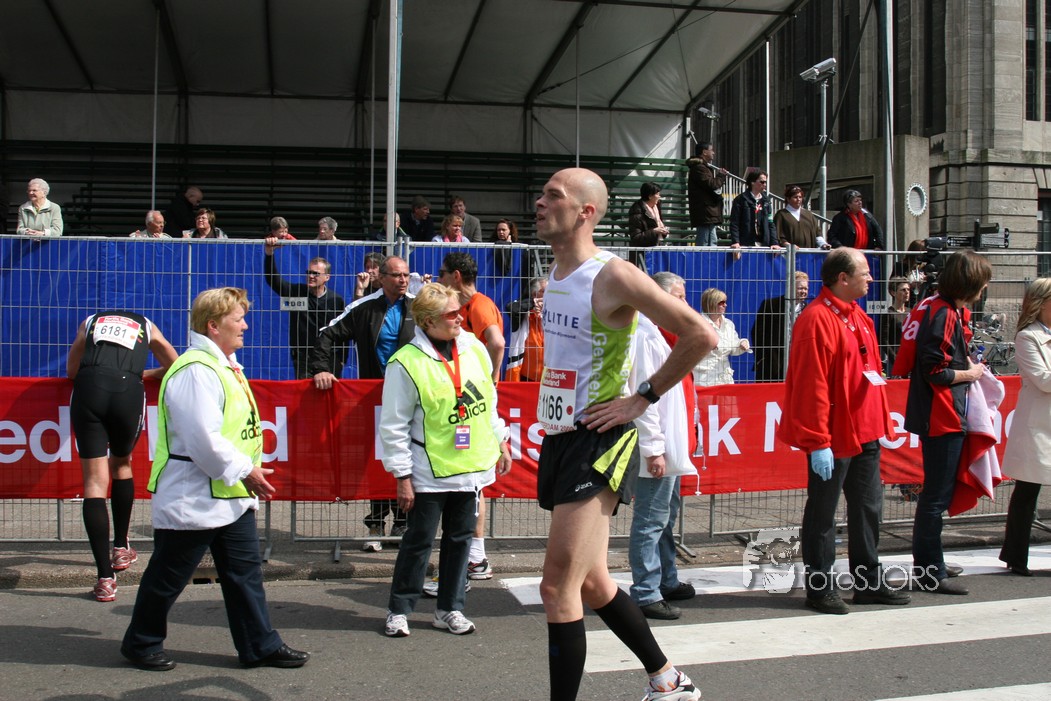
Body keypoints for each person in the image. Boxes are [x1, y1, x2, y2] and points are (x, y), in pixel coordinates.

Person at [535, 167, 715, 701]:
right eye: (542, 194)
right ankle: (668, 679)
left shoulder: (612, 274)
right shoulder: (556, 271)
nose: (539, 203)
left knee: (557, 587)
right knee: (592, 582)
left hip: (598, 440)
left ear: (585, 212)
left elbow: (700, 334)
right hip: (561, 435)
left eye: (553, 196)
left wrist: (643, 397)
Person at [120, 287, 309, 672]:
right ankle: (141, 642)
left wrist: (242, 475)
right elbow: (202, 440)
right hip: (194, 496)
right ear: (213, 325)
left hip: (228, 493)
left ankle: (259, 645)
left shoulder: (223, 365)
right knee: (168, 577)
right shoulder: (196, 371)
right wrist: (245, 471)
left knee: (245, 575)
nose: (245, 325)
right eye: (238, 319)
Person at [777, 248, 910, 615]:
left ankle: (868, 583)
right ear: (842, 278)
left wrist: (879, 422)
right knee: (823, 513)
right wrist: (818, 441)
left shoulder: (856, 314)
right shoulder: (817, 319)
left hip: (865, 432)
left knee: (868, 508)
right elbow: (812, 386)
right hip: (834, 436)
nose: (871, 278)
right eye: (864, 273)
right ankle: (820, 588)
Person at [380, 283, 512, 638]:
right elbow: (393, 425)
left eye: (459, 311)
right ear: (427, 321)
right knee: (419, 541)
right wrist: (402, 475)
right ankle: (399, 609)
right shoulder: (405, 362)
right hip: (429, 470)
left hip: (470, 467)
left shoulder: (474, 347)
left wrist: (501, 439)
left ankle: (450, 608)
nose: (460, 318)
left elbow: (488, 399)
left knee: (460, 540)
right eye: (451, 314)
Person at [893, 250, 991, 595]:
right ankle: (930, 570)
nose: (984, 289)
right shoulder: (945, 313)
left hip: (940, 411)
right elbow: (935, 370)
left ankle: (932, 561)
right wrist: (971, 373)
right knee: (934, 497)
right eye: (982, 283)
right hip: (942, 414)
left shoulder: (938, 307)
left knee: (936, 495)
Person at [67, 311, 178, 602]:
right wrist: (148, 374)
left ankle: (105, 578)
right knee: (122, 464)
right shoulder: (146, 325)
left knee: (94, 482)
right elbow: (175, 365)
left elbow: (71, 371)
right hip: (127, 388)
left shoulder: (89, 321)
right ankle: (120, 547)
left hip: (89, 387)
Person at [311, 256, 416, 551]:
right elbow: (327, 334)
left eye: (406, 275)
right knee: (377, 460)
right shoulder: (364, 308)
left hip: (411, 398)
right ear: (381, 277)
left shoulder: (418, 306)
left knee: (406, 458)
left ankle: (402, 523)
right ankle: (375, 525)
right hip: (375, 398)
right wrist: (321, 369)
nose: (403, 280)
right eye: (396, 275)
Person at [628, 272, 700, 622]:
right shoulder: (645, 336)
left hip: (669, 442)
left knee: (665, 517)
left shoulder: (663, 335)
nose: (684, 304)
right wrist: (653, 448)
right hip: (657, 445)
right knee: (651, 519)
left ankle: (665, 579)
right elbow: (643, 398)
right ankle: (646, 591)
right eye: (678, 297)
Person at [437, 251, 504, 579]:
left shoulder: (478, 305)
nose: (439, 278)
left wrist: (489, 379)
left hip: (474, 403)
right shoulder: (469, 306)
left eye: (443, 273)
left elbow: (497, 342)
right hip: (469, 402)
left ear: (456, 276)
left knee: (473, 481)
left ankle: (475, 557)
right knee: (469, 481)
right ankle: (472, 555)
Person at [998, 277, 1051, 577]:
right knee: (1028, 490)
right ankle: (1016, 555)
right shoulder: (1027, 337)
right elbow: (1044, 380)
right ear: (1042, 304)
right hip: (1039, 425)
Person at [263, 237, 347, 379]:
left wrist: (342, 359)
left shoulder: (336, 300)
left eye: (315, 273)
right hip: (303, 357)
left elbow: (343, 332)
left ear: (327, 277)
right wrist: (269, 254)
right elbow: (274, 281)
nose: (311, 276)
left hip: (329, 357)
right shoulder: (297, 292)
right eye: (308, 272)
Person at [751, 271, 810, 382]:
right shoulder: (771, 305)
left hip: (799, 364)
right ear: (790, 287)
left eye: (806, 289)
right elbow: (758, 333)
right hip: (772, 365)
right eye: (800, 288)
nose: (804, 292)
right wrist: (761, 359)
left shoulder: (809, 310)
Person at [693, 287, 750, 386]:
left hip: (725, 378)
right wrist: (705, 345)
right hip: (704, 379)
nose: (725, 305)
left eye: (725, 302)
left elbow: (734, 347)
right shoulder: (698, 323)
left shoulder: (728, 324)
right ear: (711, 304)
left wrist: (742, 343)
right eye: (721, 302)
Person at [505, 276, 546, 382]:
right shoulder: (524, 314)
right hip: (527, 378)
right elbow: (511, 308)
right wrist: (533, 303)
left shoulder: (552, 312)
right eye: (545, 291)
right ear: (534, 294)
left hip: (551, 376)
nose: (550, 295)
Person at [686, 141, 726, 246]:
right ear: (704, 152)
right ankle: (701, 257)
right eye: (711, 150)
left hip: (708, 211)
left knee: (712, 240)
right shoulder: (699, 168)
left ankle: (709, 257)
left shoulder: (702, 167)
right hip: (705, 210)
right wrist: (721, 176)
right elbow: (712, 184)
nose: (713, 152)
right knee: (704, 241)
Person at [728, 169, 777, 249]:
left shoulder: (766, 201)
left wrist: (774, 242)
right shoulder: (741, 199)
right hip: (746, 244)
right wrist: (736, 242)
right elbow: (734, 223)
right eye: (762, 182)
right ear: (752, 182)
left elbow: (770, 223)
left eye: (765, 182)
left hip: (764, 244)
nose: (765, 184)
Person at [627, 182, 670, 269]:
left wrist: (663, 231)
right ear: (650, 196)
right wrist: (654, 231)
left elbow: (657, 225)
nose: (659, 196)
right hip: (642, 256)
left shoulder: (656, 207)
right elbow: (636, 237)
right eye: (657, 194)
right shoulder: (636, 211)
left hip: (655, 252)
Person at [879, 277, 911, 373]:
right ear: (893, 293)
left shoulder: (911, 312)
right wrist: (895, 358)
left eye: (908, 289)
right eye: (903, 290)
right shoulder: (888, 314)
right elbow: (883, 340)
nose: (907, 292)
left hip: (910, 359)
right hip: (895, 360)